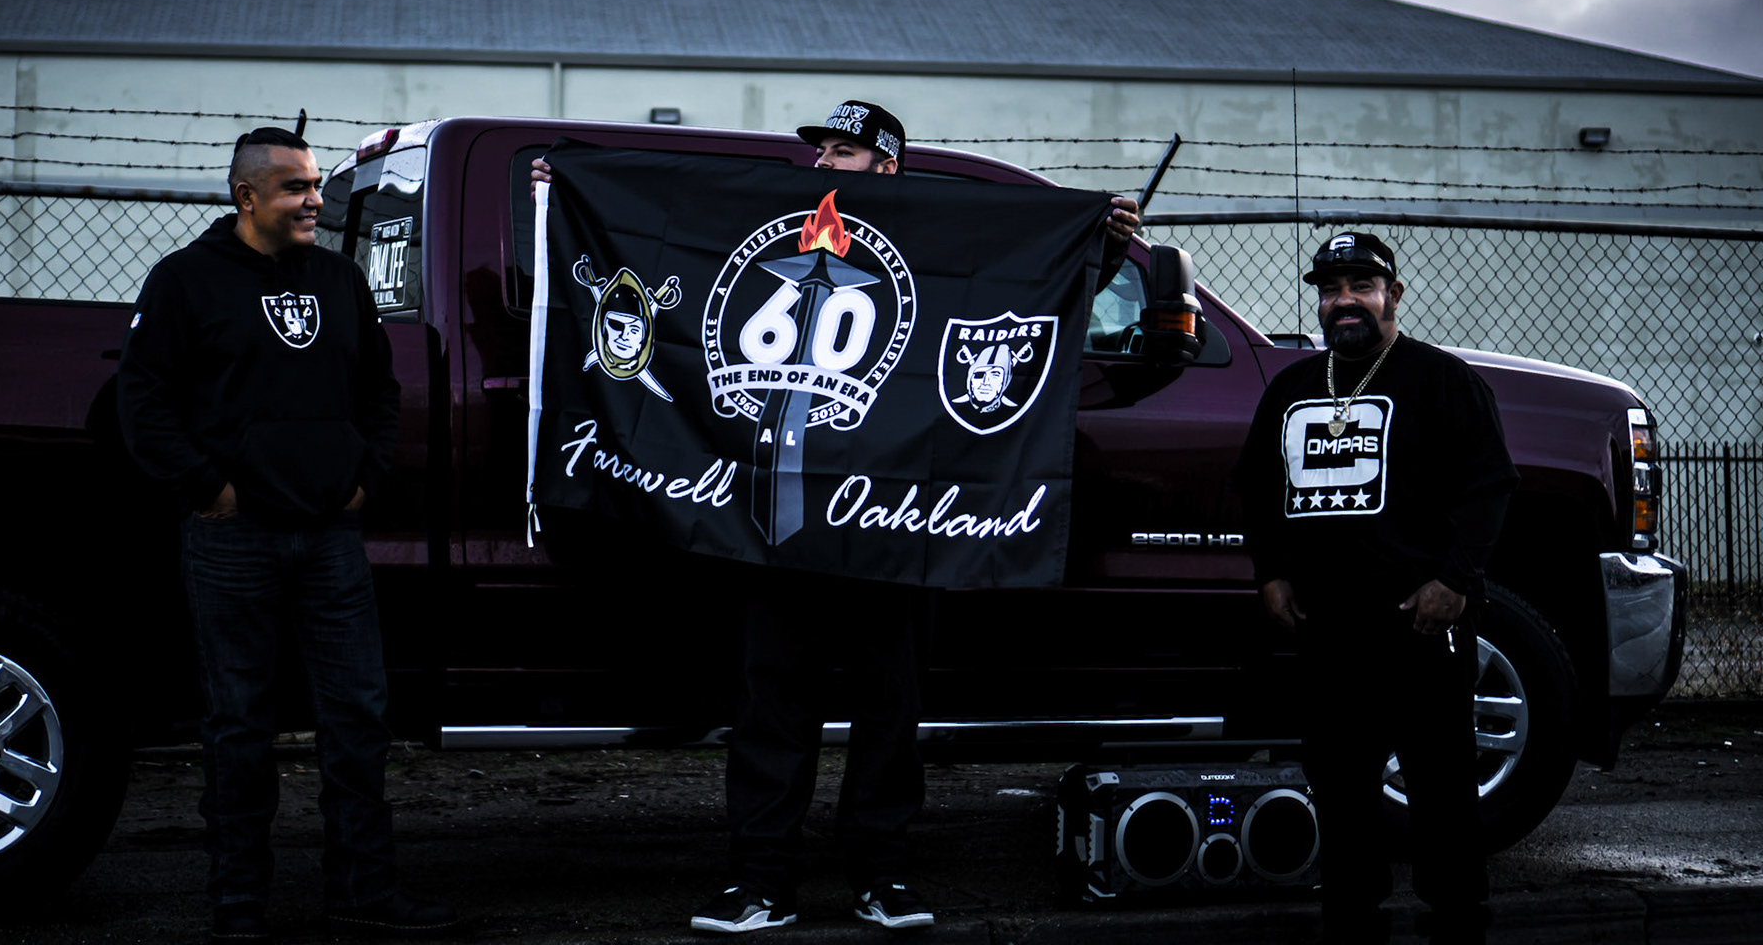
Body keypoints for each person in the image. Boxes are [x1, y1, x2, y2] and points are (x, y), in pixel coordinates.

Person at [532, 101, 1140, 933]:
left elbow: (1024, 283)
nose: (823, 163)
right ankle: (761, 882)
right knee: (771, 710)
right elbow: (669, 229)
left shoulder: (937, 230)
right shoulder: (781, 218)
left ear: (888, 166)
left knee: (890, 714)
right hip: (779, 528)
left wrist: (1102, 245)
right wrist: (572, 189)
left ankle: (881, 876)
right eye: (819, 150)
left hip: (893, 529)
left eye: (843, 152)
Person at [117, 127, 459, 943]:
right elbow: (143, 400)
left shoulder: (340, 280)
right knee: (240, 724)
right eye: (296, 188)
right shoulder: (185, 281)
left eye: (313, 184)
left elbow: (380, 391)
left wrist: (365, 477)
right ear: (247, 196)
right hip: (233, 540)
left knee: (358, 718)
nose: (315, 200)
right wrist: (210, 488)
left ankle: (364, 890)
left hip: (331, 538)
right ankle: (239, 904)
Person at [1233, 232, 1517, 945]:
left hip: (1419, 622)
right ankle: (1353, 910)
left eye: (1361, 285)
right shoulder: (1293, 388)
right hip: (1327, 625)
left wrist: (1455, 579)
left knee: (1440, 779)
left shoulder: (1442, 380)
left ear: (1393, 294)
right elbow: (1258, 488)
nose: (1344, 301)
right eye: (1331, 290)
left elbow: (1490, 485)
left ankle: (1457, 917)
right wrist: (1271, 571)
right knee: (1338, 778)